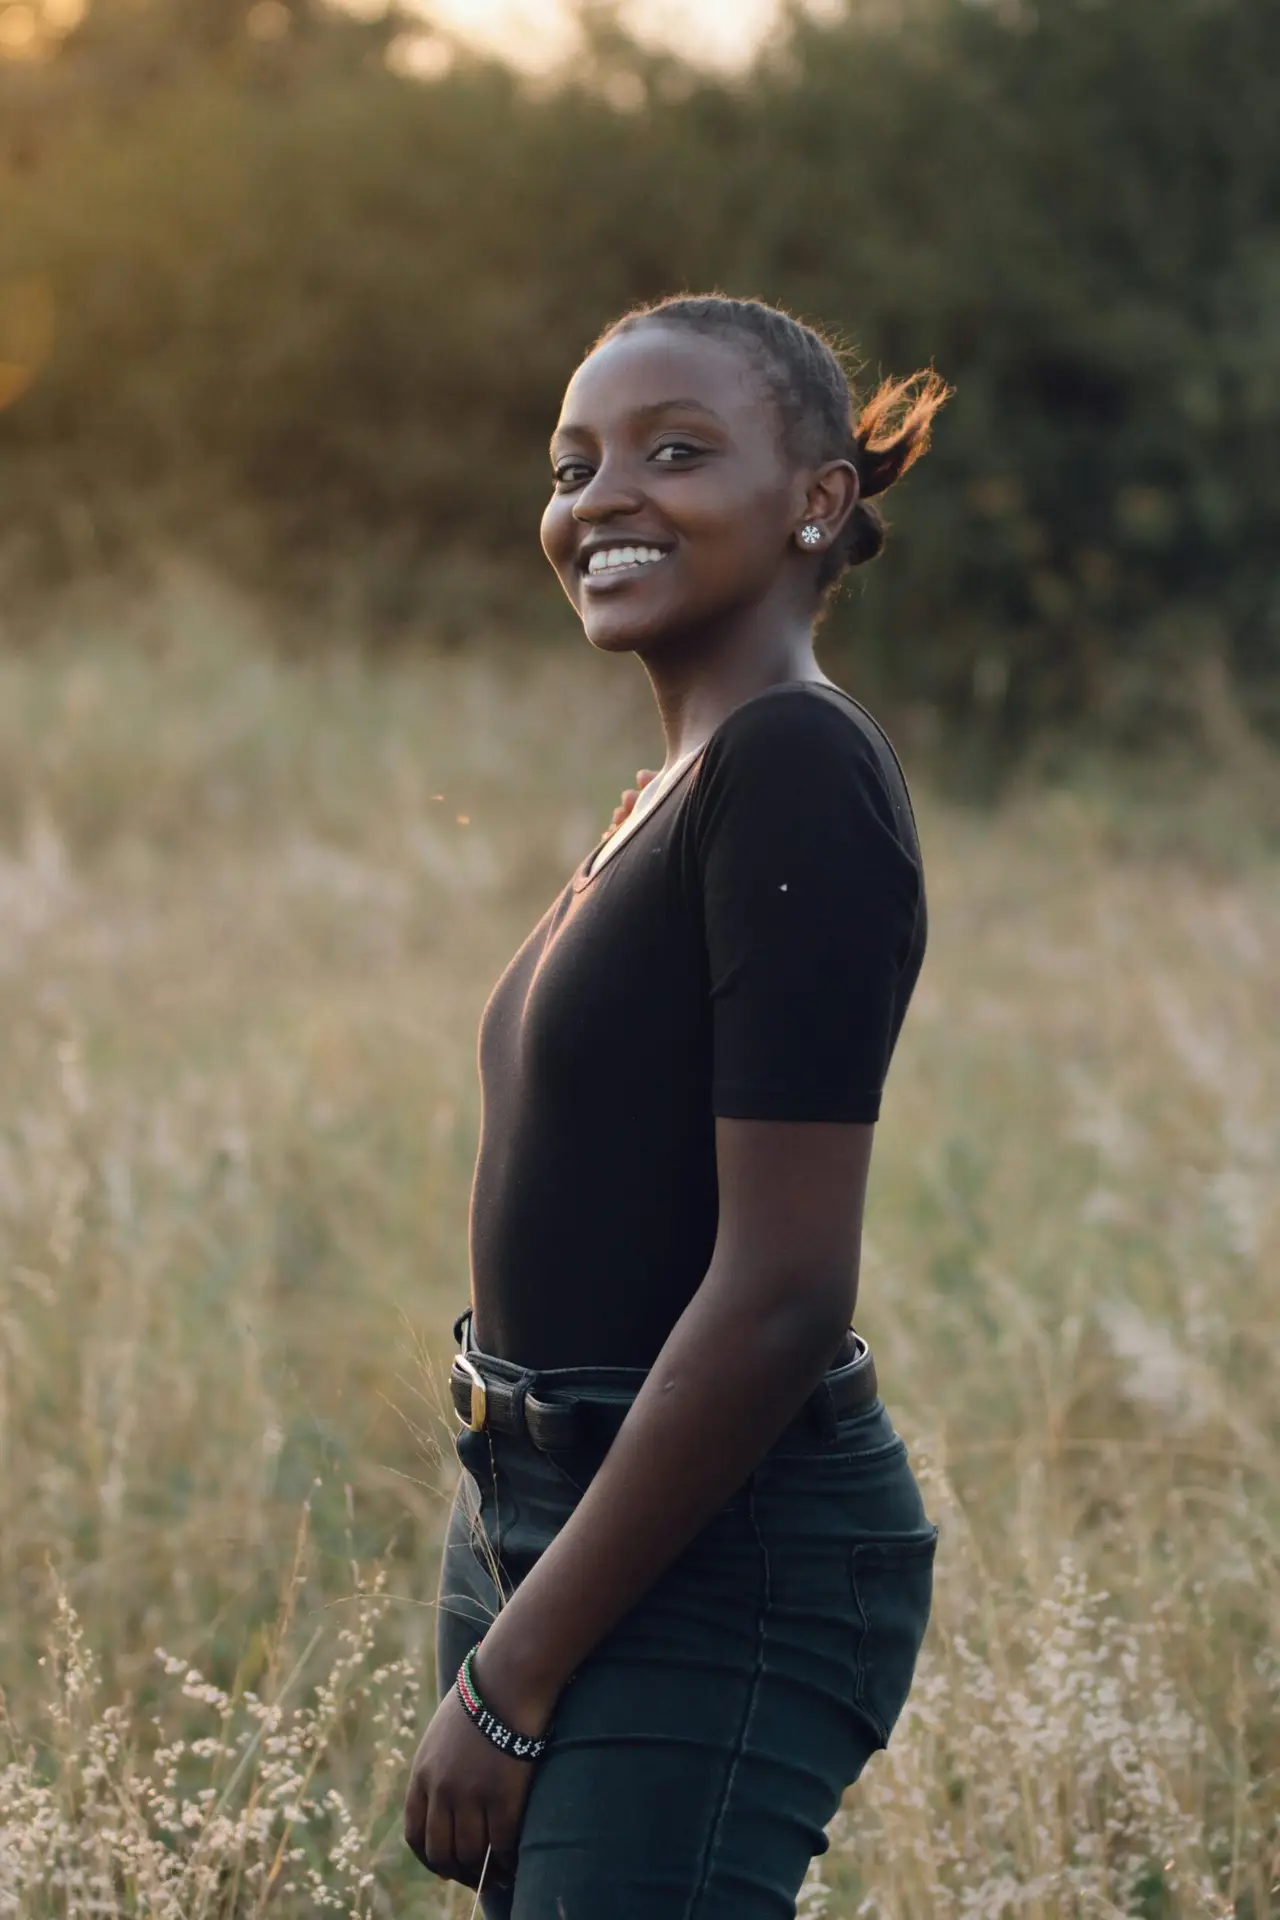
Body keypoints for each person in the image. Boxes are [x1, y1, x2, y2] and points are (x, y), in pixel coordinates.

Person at [403, 293, 950, 1918]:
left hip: (716, 1547)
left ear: (819, 500)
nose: (599, 498)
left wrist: (516, 1672)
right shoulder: (684, 778)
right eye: (574, 464)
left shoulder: (794, 766)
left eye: (676, 451)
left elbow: (783, 1291)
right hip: (549, 1500)